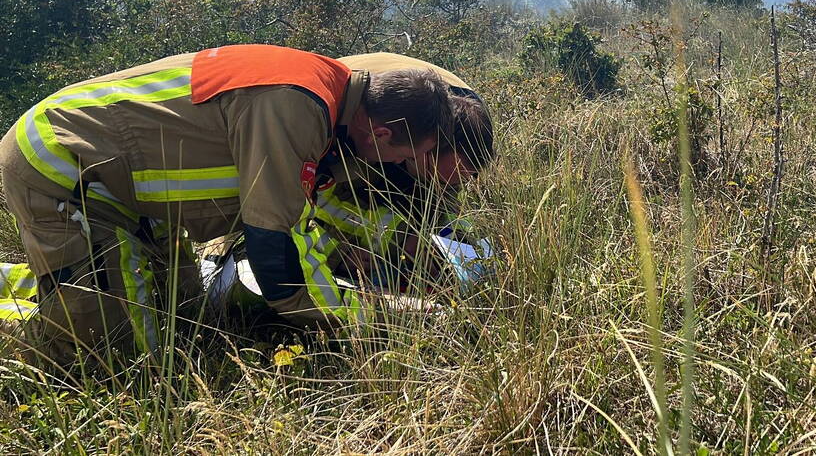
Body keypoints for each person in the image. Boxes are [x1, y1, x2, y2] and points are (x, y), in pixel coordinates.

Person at [0, 44, 452, 366]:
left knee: (183, 319)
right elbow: (279, 248)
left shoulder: (328, 98)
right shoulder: (297, 108)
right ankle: (30, 321)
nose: (403, 166)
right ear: (384, 133)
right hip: (68, 168)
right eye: (409, 156)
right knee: (121, 353)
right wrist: (380, 319)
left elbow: (301, 208)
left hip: (129, 186)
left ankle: (30, 280)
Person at [203, 53, 497, 318]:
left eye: (462, 178)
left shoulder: (463, 128)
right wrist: (342, 252)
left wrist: (448, 250)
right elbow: (302, 204)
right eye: (440, 175)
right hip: (295, 160)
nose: (450, 185)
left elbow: (444, 208)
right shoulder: (359, 137)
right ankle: (222, 265)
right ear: (421, 148)